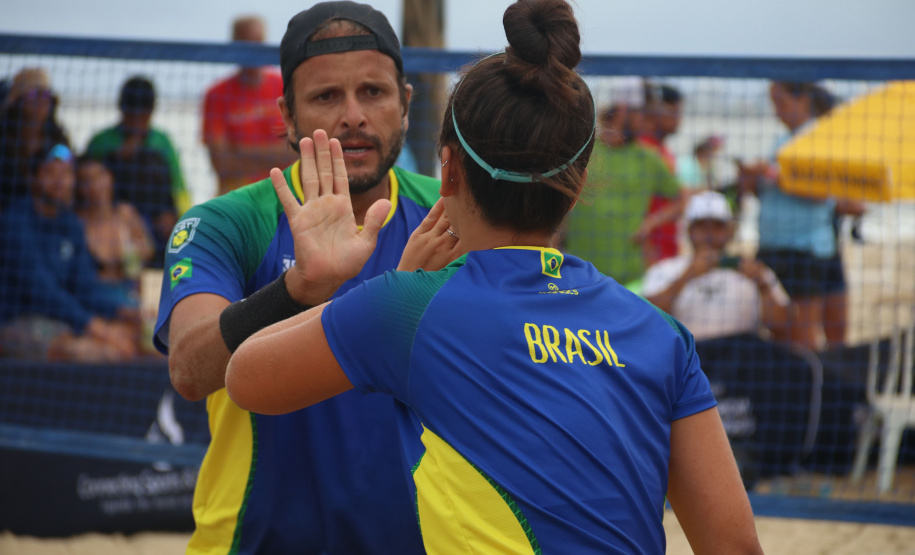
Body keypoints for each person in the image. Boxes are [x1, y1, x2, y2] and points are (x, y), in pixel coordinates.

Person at [225, 1, 763, 552]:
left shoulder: (404, 310)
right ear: (578, 183)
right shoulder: (662, 335)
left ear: (448, 169)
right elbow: (735, 546)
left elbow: (244, 377)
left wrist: (379, 285)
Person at [154, 2, 449, 553]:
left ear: (406, 105)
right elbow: (189, 369)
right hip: (259, 540)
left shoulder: (449, 215)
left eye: (373, 92)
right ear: (288, 116)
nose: (353, 116)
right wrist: (299, 291)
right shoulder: (225, 221)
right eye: (326, 97)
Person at [739, 81, 862, 350]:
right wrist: (751, 179)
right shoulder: (785, 141)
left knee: (801, 336)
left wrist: (771, 174)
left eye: (781, 103)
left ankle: (816, 376)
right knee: (789, 332)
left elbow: (823, 192)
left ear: (803, 100)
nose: (776, 112)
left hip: (801, 249)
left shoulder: (818, 137)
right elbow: (772, 193)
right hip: (787, 246)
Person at [0, 143, 138, 361]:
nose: (60, 181)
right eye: (50, 173)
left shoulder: (70, 224)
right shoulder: (15, 223)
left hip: (65, 319)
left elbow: (84, 288)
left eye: (66, 174)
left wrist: (123, 312)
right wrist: (95, 327)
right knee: (91, 351)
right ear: (33, 178)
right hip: (17, 321)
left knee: (134, 338)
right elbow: (42, 291)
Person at [563, 99, 684, 288]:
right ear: (621, 110)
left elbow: (681, 199)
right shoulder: (583, 150)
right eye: (640, 113)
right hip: (580, 272)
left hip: (630, 275)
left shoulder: (649, 157)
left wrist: (650, 223)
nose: (646, 120)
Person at [642, 190, 792, 342]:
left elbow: (786, 331)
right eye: (702, 226)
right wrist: (685, 277)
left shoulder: (754, 271)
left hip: (740, 352)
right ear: (689, 230)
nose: (710, 234)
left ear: (729, 231)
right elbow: (645, 321)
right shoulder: (665, 270)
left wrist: (763, 286)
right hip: (687, 353)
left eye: (717, 226)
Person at [87, 76, 188, 265]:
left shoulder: (162, 143)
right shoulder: (102, 143)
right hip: (115, 224)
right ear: (122, 109)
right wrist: (116, 157)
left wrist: (177, 219)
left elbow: (180, 190)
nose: (136, 123)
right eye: (132, 116)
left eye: (142, 116)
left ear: (151, 112)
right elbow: (85, 188)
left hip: (158, 228)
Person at [202, 15, 296, 195]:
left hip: (282, 193)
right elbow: (222, 164)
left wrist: (242, 150)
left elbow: (297, 150)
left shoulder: (284, 86)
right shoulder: (216, 95)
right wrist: (278, 155)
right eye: (246, 43)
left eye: (257, 42)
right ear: (234, 46)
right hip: (237, 196)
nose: (253, 50)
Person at [75, 155, 154, 298]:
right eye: (87, 181)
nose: (95, 185)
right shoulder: (77, 223)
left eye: (99, 176)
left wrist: (135, 252)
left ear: (110, 176)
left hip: (133, 291)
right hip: (99, 296)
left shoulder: (125, 213)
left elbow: (148, 249)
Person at [0, 68, 70, 210]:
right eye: (32, 95)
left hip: (50, 212)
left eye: (46, 95)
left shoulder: (58, 138)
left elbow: (66, 170)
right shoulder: (4, 139)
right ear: (17, 102)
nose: (40, 100)